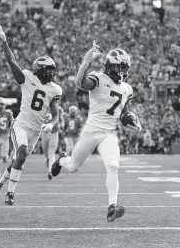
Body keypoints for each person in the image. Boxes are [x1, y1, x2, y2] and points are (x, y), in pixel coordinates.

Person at [51, 43, 142, 223]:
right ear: (109, 65)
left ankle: (112, 207)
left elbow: (124, 112)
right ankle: (61, 159)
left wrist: (133, 121)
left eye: (124, 66)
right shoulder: (98, 78)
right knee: (73, 167)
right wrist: (86, 62)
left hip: (109, 132)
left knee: (113, 165)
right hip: (91, 130)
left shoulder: (127, 89)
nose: (122, 70)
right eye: (118, 66)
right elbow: (80, 83)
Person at [0, 25, 62, 205]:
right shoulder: (27, 77)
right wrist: (4, 42)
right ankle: (10, 194)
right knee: (21, 155)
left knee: (17, 160)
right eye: (48, 69)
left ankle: (0, 182)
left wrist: (51, 124)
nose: (52, 72)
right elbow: (12, 61)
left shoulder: (55, 89)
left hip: (36, 131)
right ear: (39, 69)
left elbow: (55, 115)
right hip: (21, 125)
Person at [42, 106, 64, 180]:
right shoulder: (43, 107)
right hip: (45, 133)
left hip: (54, 133)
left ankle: (50, 172)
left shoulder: (58, 108)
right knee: (46, 152)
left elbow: (61, 121)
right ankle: (47, 158)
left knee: (51, 153)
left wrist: (60, 125)